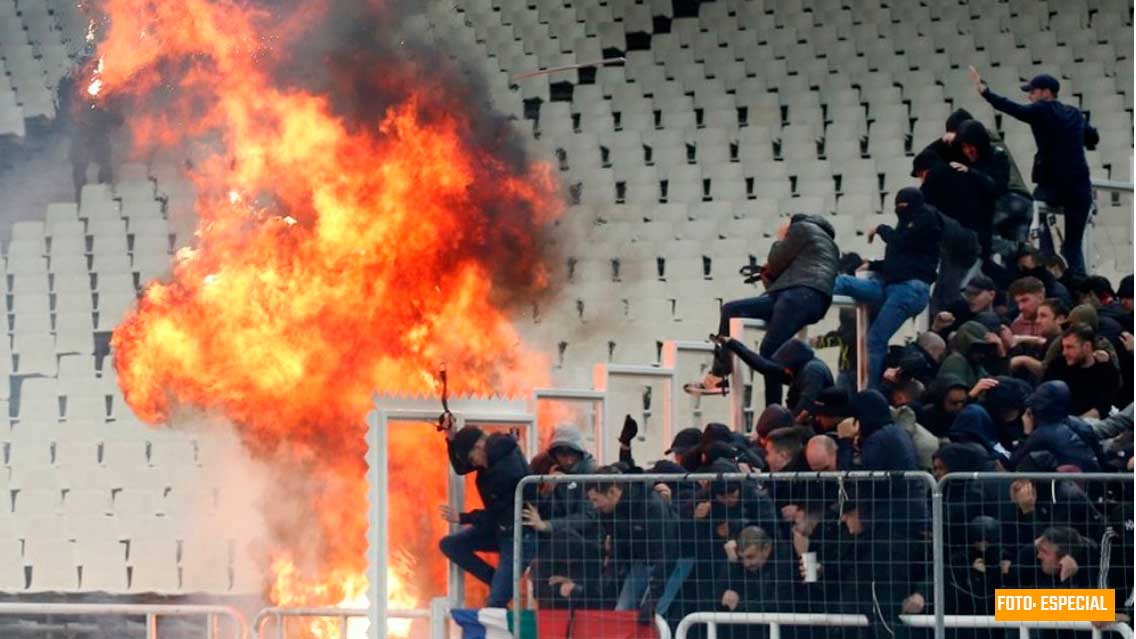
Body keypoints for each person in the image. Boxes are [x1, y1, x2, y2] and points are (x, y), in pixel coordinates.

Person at [686, 214, 839, 400]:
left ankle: (773, 413)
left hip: (797, 295)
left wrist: (781, 239)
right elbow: (777, 278)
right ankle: (719, 375)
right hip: (798, 296)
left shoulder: (803, 229)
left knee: (770, 353)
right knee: (731, 310)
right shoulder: (828, 245)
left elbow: (775, 261)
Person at [970, 68, 1099, 277]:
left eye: (1032, 92)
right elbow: (1092, 137)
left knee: (1035, 209)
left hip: (1054, 186)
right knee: (1073, 246)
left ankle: (1045, 258)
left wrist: (985, 92)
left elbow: (1013, 109)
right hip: (1079, 188)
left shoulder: (1041, 110)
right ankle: (1080, 288)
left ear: (1046, 93)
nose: (1030, 97)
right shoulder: (1074, 114)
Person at [834, 188, 942, 388]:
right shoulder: (907, 226)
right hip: (892, 286)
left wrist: (881, 229)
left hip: (908, 290)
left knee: (875, 340)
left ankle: (870, 392)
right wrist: (872, 265)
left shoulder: (926, 221)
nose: (900, 209)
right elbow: (902, 261)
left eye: (903, 205)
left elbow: (904, 245)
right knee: (843, 283)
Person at [438, 417, 531, 607]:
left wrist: (463, 518)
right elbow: (461, 467)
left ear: (479, 445)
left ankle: (500, 589)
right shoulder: (491, 453)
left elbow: (498, 513)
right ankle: (498, 581)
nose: (473, 464)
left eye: (472, 458)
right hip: (501, 529)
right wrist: (451, 438)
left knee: (495, 603)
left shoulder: (506, 469)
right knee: (451, 545)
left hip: (519, 537)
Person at [584, 466, 688, 621]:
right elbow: (617, 544)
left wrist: (652, 598)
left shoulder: (651, 505)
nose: (594, 505)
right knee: (622, 610)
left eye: (596, 500)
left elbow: (667, 552)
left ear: (612, 492)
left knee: (655, 613)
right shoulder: (608, 511)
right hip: (643, 560)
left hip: (673, 560)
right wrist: (608, 578)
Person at [713, 337, 834, 420]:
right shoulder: (798, 368)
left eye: (786, 367)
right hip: (802, 419)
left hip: (815, 423)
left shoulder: (813, 371)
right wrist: (733, 344)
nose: (785, 370)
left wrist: (782, 426)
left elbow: (804, 406)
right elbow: (764, 366)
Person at [1008, 381, 1102, 472]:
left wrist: (1026, 433)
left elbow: (1012, 461)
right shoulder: (1081, 423)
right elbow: (1101, 459)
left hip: (1071, 484)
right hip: (1096, 482)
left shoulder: (1042, 434)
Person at [1043, 324, 1120, 418]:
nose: (1064, 352)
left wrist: (1071, 425)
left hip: (1087, 425)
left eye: (1070, 347)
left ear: (1087, 346)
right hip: (1054, 420)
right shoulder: (1058, 364)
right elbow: (1044, 396)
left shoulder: (1105, 371)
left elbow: (1101, 409)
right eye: (1063, 347)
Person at [932, 274, 997, 337]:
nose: (970, 298)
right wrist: (936, 328)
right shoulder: (957, 311)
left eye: (975, 294)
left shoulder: (998, 320)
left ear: (991, 295)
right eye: (967, 293)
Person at [938, 320, 999, 388]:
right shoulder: (956, 361)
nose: (982, 354)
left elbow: (996, 383)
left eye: (984, 349)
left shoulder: (975, 364)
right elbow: (957, 396)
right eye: (977, 348)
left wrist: (1001, 354)